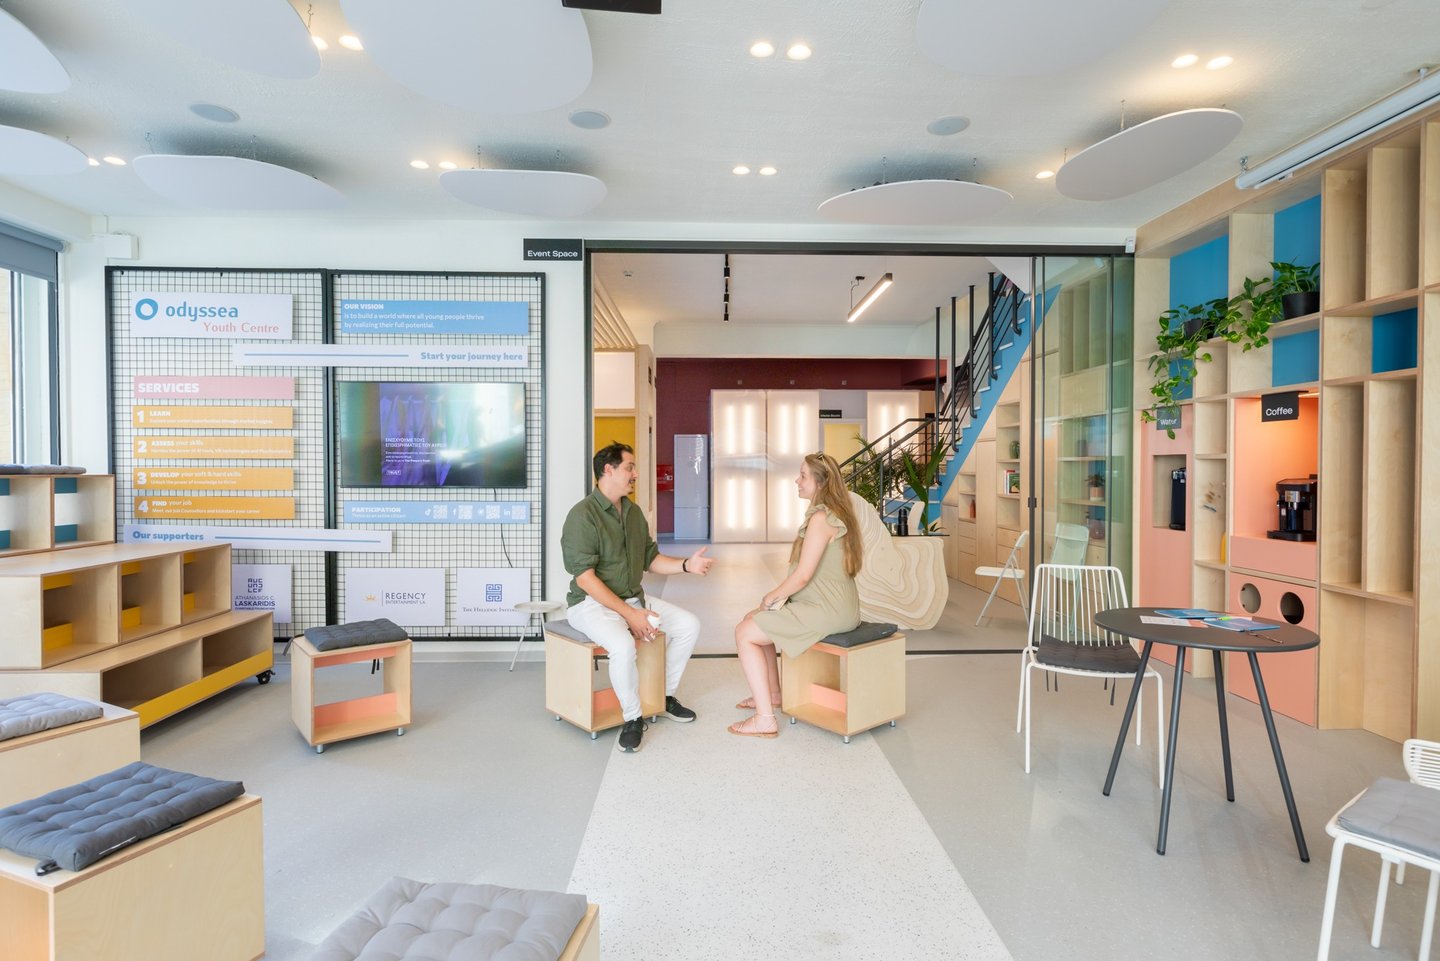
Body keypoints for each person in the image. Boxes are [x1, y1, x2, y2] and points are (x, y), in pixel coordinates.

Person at [562, 442, 713, 753]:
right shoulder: (582, 515)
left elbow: (650, 560)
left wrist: (687, 565)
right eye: (629, 467)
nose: (635, 474)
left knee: (688, 625)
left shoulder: (632, 513)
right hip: (590, 604)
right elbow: (585, 579)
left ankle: (663, 696)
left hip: (632, 598)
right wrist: (630, 615)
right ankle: (632, 717)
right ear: (608, 470)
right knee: (621, 646)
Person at [730, 451, 862, 738]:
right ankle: (774, 694)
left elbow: (802, 576)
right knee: (753, 620)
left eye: (803, 476)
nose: (796, 481)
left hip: (827, 610)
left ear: (820, 483)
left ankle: (764, 719)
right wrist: (771, 603)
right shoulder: (834, 513)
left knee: (745, 632)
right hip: (835, 606)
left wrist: (770, 597)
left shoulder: (821, 518)